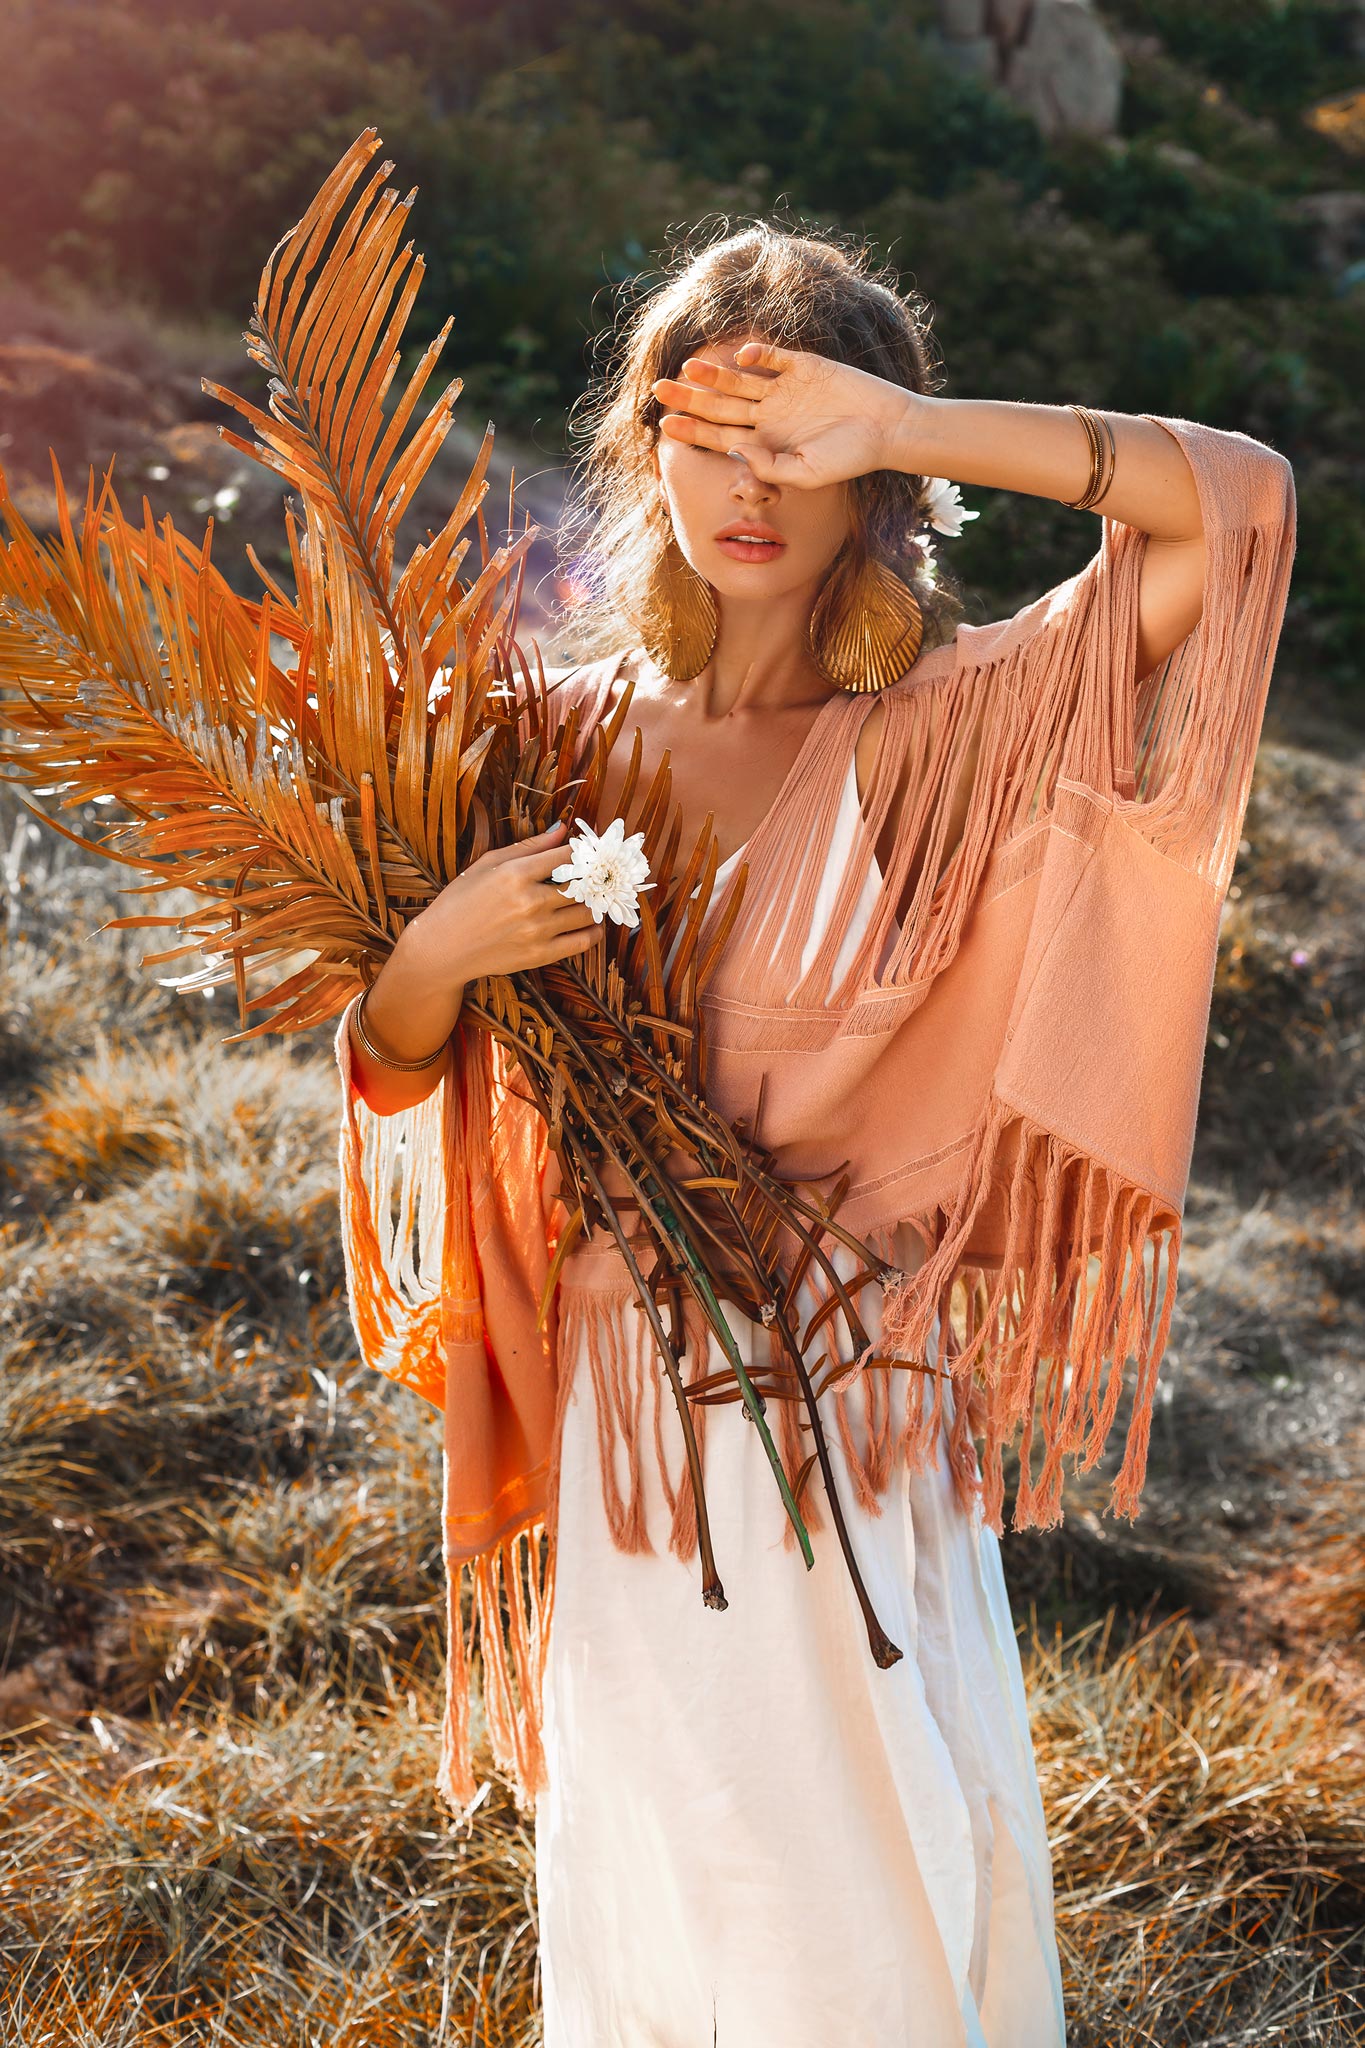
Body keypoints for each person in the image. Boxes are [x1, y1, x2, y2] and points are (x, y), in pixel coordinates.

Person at [336, 222, 1295, 2046]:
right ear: (642, 445)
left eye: (802, 440)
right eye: (712, 431)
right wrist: (431, 960)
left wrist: (909, 424)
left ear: (875, 474)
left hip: (856, 1399)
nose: (751, 484)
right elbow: (392, 1071)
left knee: (878, 1874)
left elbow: (1239, 511)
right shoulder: (532, 743)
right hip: (638, 1421)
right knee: (700, 1881)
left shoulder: (963, 725)